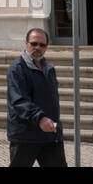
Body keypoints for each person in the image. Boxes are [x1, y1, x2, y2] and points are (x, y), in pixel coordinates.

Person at [6, 27, 65, 167]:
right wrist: (40, 118)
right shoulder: (16, 69)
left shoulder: (49, 68)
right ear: (26, 43)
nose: (37, 47)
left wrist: (57, 127)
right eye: (33, 43)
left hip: (50, 134)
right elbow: (19, 100)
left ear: (46, 47)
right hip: (25, 136)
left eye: (42, 45)